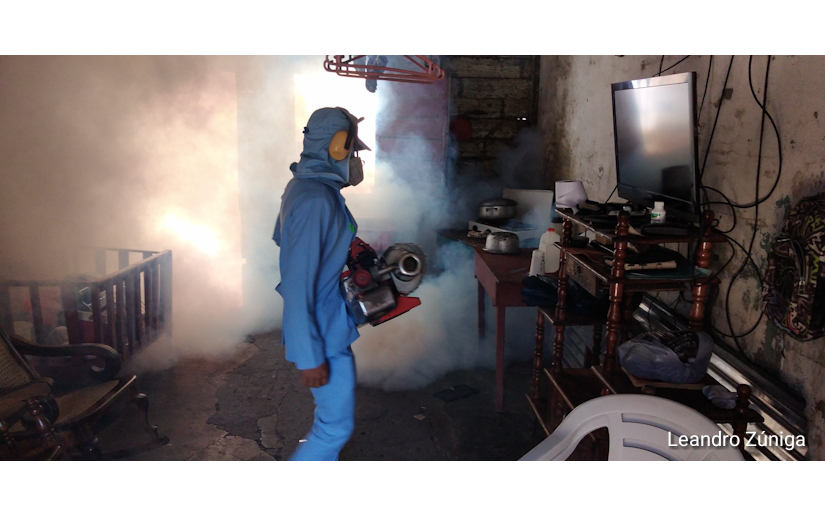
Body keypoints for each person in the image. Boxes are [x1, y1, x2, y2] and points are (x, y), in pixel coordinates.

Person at [273, 107, 369, 461]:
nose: (356, 160)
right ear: (338, 146)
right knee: (334, 428)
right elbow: (296, 285)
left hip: (329, 322)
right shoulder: (316, 199)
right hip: (321, 331)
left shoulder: (303, 187)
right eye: (353, 151)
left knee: (331, 423)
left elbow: (284, 239)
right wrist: (308, 355)